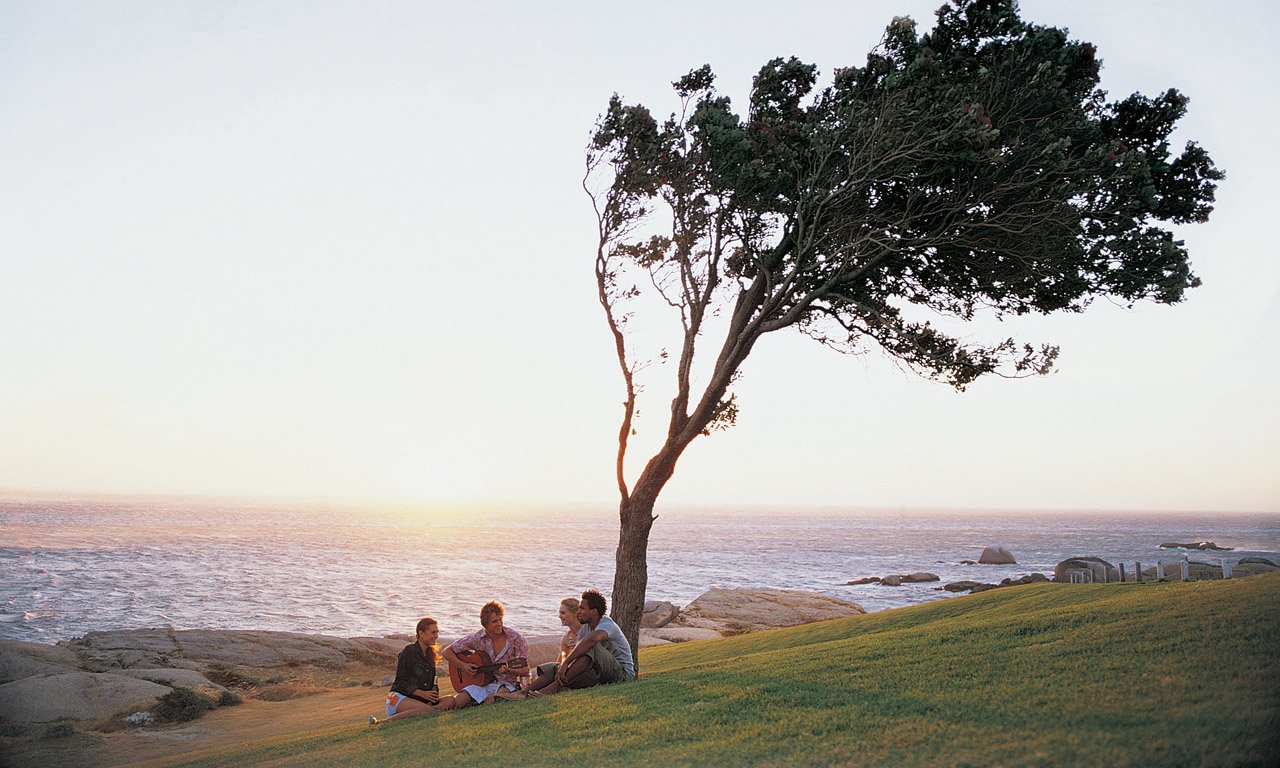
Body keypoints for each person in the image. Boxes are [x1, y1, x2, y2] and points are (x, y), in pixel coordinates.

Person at [523, 589, 634, 696]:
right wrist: (562, 667)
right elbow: (579, 655)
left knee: (591, 646)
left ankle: (554, 687)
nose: (578, 612)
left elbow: (591, 640)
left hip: (622, 674)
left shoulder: (607, 624)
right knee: (555, 668)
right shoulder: (585, 628)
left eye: (582, 608)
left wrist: (566, 662)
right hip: (598, 673)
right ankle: (524, 692)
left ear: (594, 611)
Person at [442, 600, 530, 707]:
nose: (499, 624)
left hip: (505, 685)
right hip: (479, 684)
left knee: (495, 698)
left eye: (500, 619)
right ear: (485, 624)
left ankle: (480, 702)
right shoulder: (477, 638)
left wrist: (510, 670)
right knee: (458, 702)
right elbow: (447, 652)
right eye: (494, 621)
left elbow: (526, 670)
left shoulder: (516, 639)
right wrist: (463, 666)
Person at [370, 617, 454, 725]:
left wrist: (432, 695)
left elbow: (431, 683)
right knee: (426, 710)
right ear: (421, 633)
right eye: (433, 632)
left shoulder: (431, 655)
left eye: (437, 632)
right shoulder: (409, 651)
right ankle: (381, 722)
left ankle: (423, 711)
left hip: (419, 701)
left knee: (450, 700)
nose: (436, 636)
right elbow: (400, 683)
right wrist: (422, 693)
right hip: (399, 698)